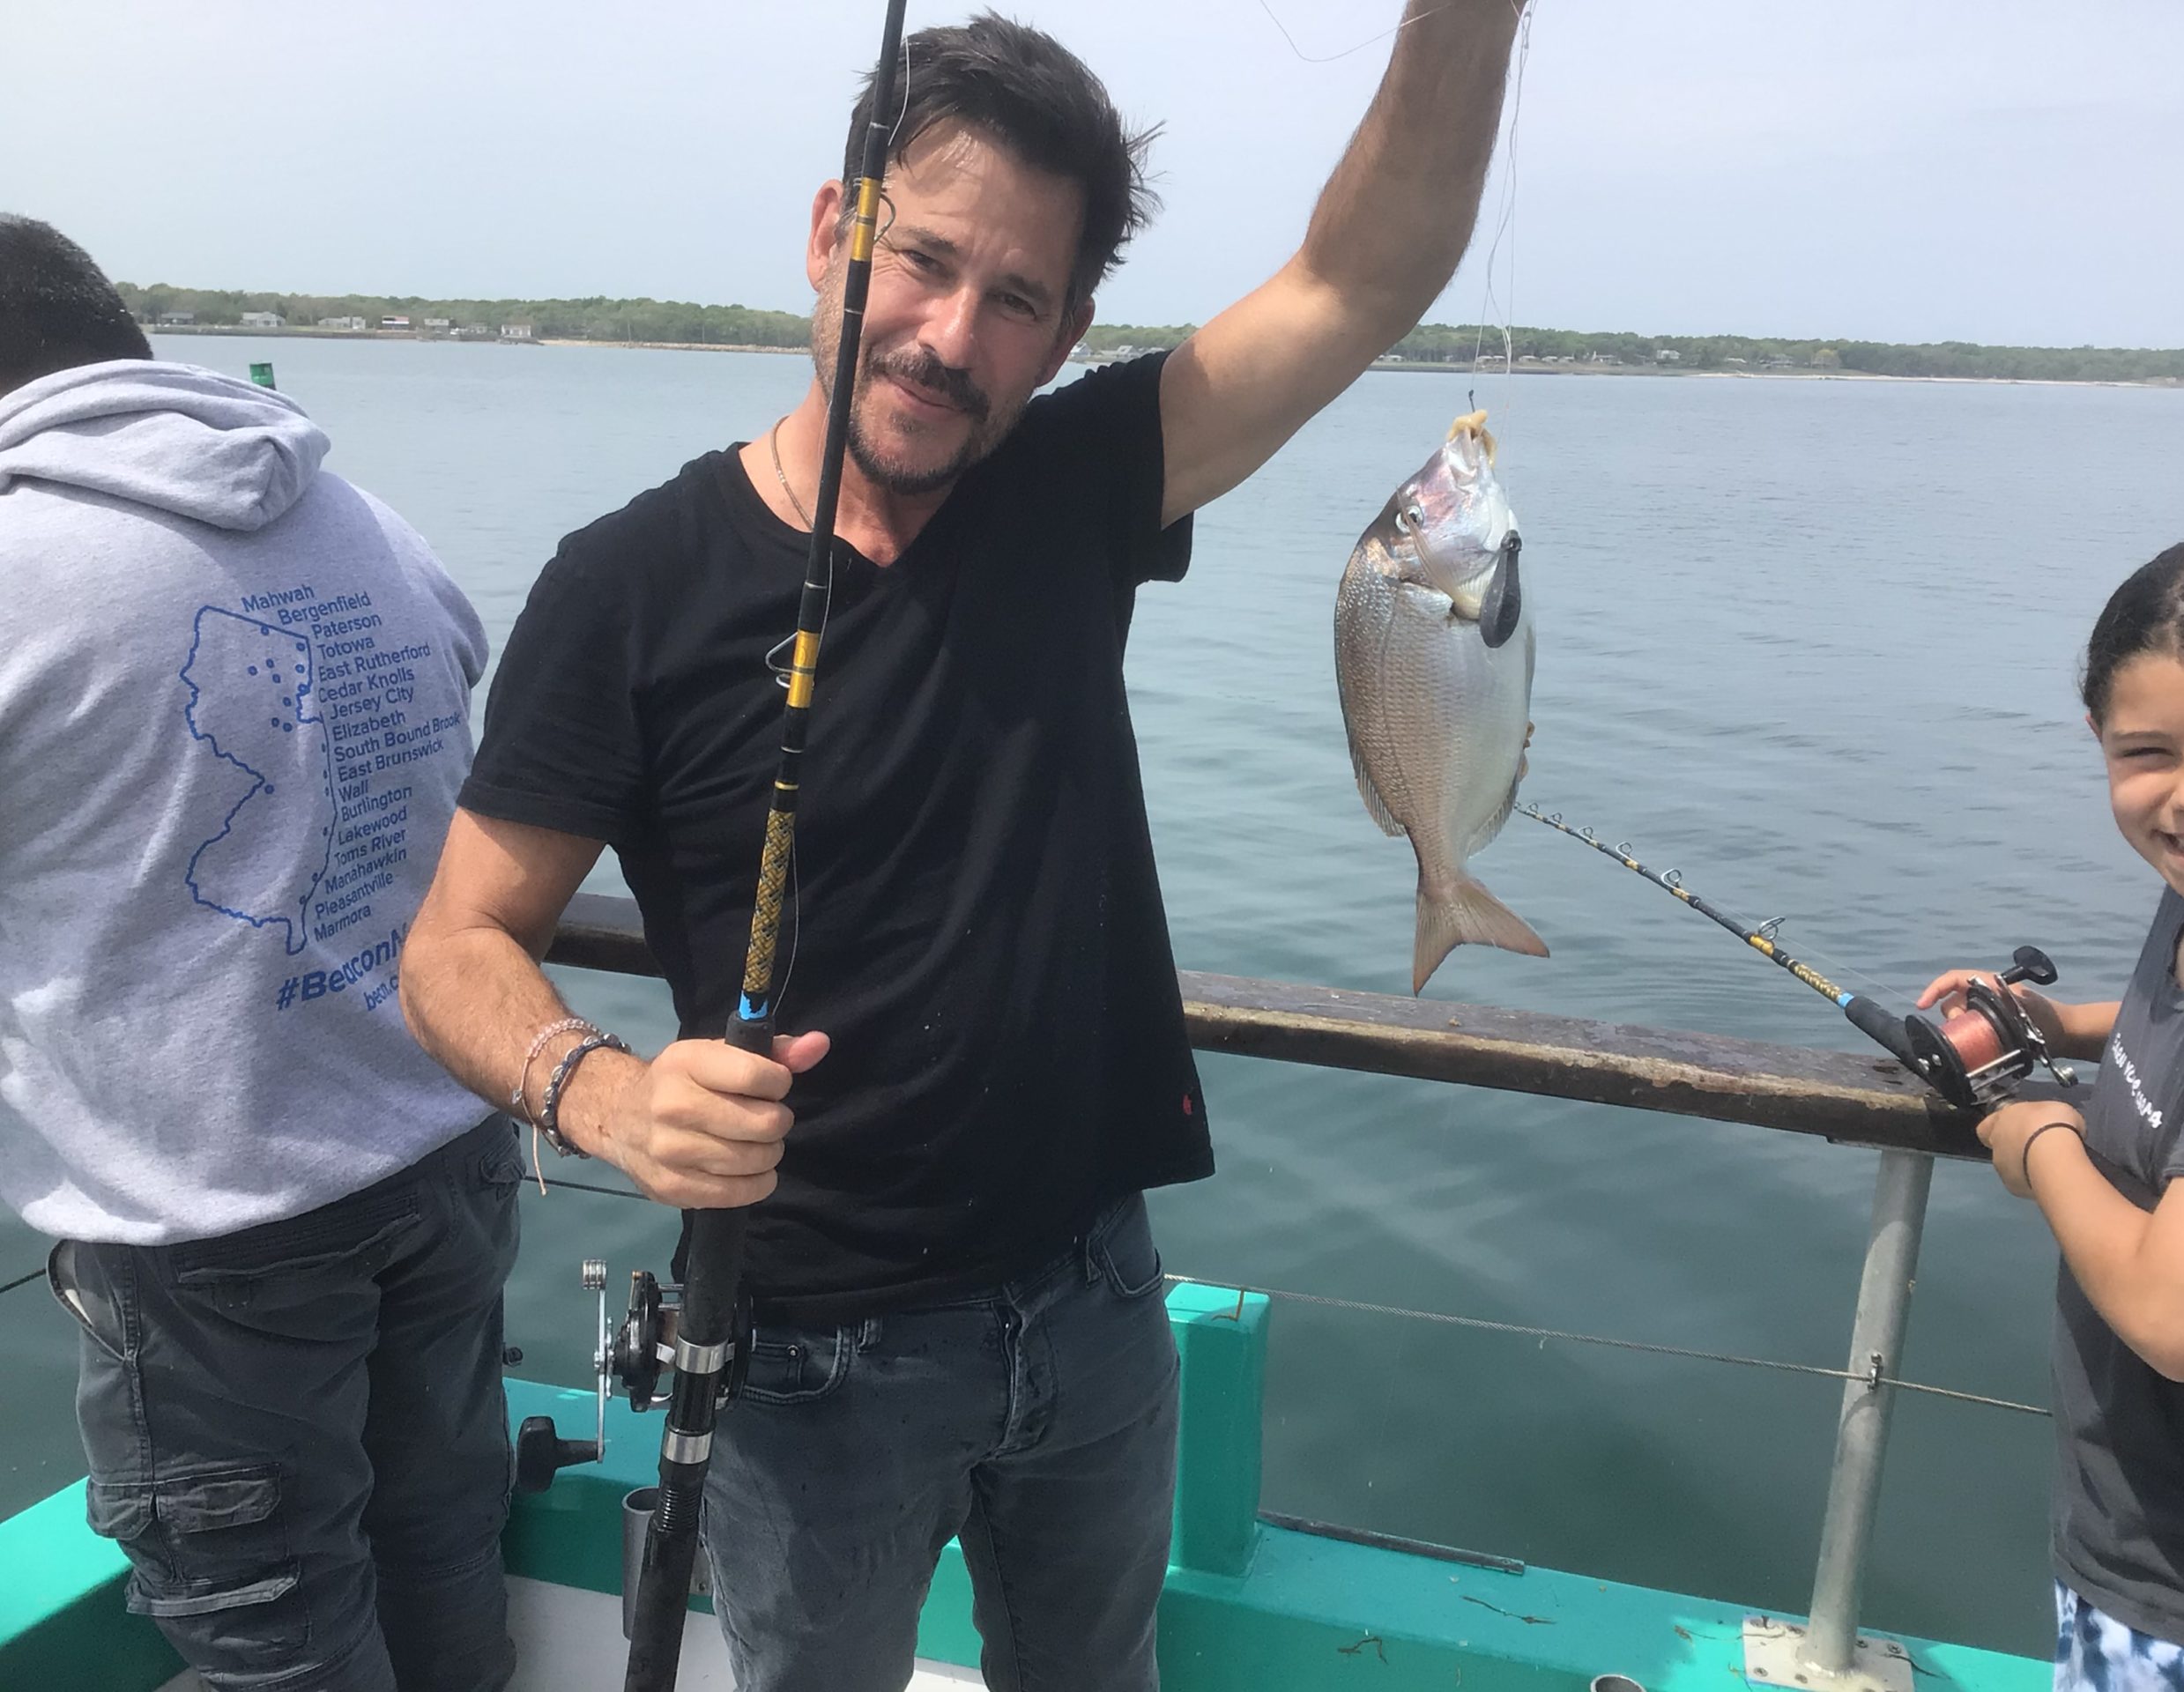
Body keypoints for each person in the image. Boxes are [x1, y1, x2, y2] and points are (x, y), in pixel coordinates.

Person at [398, 7, 1526, 1688]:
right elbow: (453, 946)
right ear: (829, 234)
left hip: (1096, 1295)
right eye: (920, 261)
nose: (946, 335)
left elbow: (1370, 269)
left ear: (1068, 331)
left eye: (1016, 300)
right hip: (798, 1351)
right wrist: (608, 1093)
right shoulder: (626, 589)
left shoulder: (1076, 486)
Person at [0, 216, 516, 1692]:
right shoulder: (364, 518)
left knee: (274, 1643)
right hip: (447, 1153)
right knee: (440, 1561)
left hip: (215, 1226)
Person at [1918, 530, 2184, 1686]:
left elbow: (2179, 1314)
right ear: (2099, 745)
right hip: (2143, 1536)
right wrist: (2060, 1026)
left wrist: (2038, 1132)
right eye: (2148, 752)